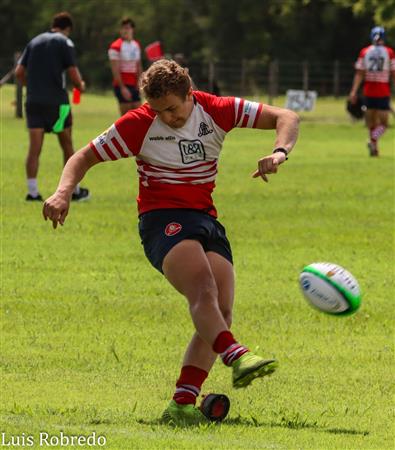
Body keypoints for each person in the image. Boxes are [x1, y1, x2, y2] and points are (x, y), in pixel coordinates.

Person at [42, 60, 299, 426]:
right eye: (160, 110)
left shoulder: (216, 109)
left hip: (206, 219)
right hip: (161, 220)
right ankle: (236, 356)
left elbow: (286, 117)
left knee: (221, 310)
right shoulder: (139, 124)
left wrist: (279, 153)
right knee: (203, 289)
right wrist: (62, 192)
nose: (169, 117)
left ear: (189, 94)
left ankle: (182, 403)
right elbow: (83, 157)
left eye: (174, 109)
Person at [14, 12, 89, 202]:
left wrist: (30, 88)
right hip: (58, 104)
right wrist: (80, 86)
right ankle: (74, 190)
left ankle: (32, 192)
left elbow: (19, 72)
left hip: (34, 102)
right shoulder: (64, 42)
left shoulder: (34, 42)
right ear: (67, 29)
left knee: (34, 148)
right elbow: (73, 73)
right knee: (67, 145)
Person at [349, 26, 395, 156]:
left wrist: (353, 91)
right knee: (384, 125)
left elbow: (359, 73)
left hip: (368, 91)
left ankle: (374, 147)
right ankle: (373, 140)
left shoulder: (364, 52)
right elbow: (393, 73)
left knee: (371, 124)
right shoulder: (389, 52)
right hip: (383, 91)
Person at [108, 18, 142, 115]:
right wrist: (122, 88)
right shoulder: (115, 46)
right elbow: (115, 69)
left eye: (127, 28)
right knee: (126, 116)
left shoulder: (136, 45)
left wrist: (140, 83)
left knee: (138, 114)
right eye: (123, 28)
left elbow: (138, 66)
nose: (125, 31)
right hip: (122, 84)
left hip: (134, 84)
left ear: (132, 30)